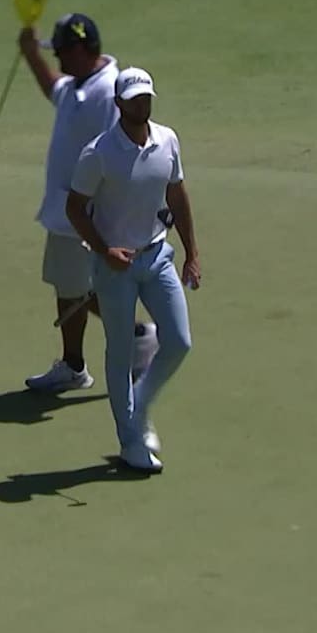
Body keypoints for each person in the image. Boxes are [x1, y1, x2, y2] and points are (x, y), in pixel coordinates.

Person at [65, 67, 200, 472]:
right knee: (120, 351)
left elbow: (177, 194)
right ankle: (130, 442)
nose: (141, 104)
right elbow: (75, 208)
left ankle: (138, 406)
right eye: (134, 98)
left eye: (146, 97)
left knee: (179, 341)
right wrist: (104, 250)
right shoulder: (98, 153)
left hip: (157, 256)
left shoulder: (167, 140)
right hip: (114, 266)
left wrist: (192, 253)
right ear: (119, 103)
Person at [19, 13, 156, 393]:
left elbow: (128, 146)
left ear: (81, 49)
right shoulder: (76, 85)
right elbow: (53, 87)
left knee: (88, 291)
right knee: (69, 288)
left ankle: (137, 336)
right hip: (65, 213)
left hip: (90, 214)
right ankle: (75, 365)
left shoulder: (111, 90)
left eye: (62, 50)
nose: (58, 57)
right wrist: (31, 54)